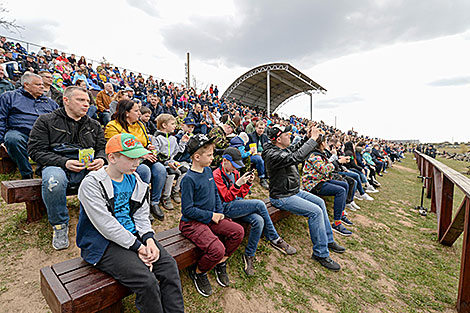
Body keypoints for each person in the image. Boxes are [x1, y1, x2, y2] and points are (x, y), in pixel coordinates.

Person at [76, 133, 184, 313]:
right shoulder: (92, 184)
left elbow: (142, 216)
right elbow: (106, 226)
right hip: (102, 243)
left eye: (139, 157)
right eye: (131, 157)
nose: (137, 162)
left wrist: (148, 240)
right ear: (112, 157)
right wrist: (139, 249)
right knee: (146, 281)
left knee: (169, 266)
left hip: (133, 236)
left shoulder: (136, 181)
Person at [28, 86, 106, 250]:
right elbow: (35, 151)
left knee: (106, 177)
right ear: (66, 100)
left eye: (87, 101)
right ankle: (59, 225)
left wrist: (101, 159)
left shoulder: (94, 124)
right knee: (53, 182)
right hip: (56, 164)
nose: (86, 104)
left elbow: (102, 147)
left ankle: (98, 219)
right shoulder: (45, 121)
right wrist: (64, 162)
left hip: (87, 165)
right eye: (80, 100)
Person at [263, 124, 345, 271]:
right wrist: (313, 139)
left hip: (292, 191)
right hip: (282, 196)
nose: (290, 136)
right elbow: (296, 156)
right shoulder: (272, 154)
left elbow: (295, 149)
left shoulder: (280, 149)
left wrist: (307, 137)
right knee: (315, 211)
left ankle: (328, 240)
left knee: (320, 202)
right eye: (287, 134)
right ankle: (320, 253)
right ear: (279, 139)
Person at [213, 147, 296, 276]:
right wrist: (238, 184)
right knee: (260, 204)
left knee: (259, 220)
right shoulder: (216, 175)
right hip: (225, 208)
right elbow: (227, 197)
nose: (235, 169)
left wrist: (247, 184)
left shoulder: (234, 173)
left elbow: (241, 195)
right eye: (233, 165)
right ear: (225, 161)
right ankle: (274, 238)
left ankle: (249, 254)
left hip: (236, 204)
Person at [180, 134, 244, 297]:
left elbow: (215, 192)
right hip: (192, 223)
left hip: (212, 217)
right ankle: (199, 272)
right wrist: (210, 216)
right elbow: (187, 210)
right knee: (217, 249)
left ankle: (221, 261)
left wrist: (219, 212)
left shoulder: (208, 170)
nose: (212, 157)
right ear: (196, 156)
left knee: (238, 232)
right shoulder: (188, 179)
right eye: (209, 155)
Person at [105, 99, 167, 221]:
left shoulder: (140, 125)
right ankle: (139, 204)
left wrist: (149, 146)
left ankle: (153, 203)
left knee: (160, 169)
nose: (139, 113)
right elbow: (115, 148)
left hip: (144, 156)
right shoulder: (113, 126)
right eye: (136, 110)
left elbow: (145, 141)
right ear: (127, 112)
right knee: (144, 171)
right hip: (126, 160)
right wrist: (140, 155)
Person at [0, 72, 58, 179]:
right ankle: (27, 174)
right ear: (26, 85)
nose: (42, 87)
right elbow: (1, 118)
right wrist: (1, 140)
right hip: (21, 132)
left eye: (42, 84)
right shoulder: (9, 97)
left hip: (45, 135)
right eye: (38, 84)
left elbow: (59, 120)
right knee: (12, 139)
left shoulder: (50, 102)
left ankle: (44, 170)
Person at [302, 135, 354, 236]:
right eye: (325, 141)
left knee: (345, 185)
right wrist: (338, 162)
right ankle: (337, 223)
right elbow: (324, 169)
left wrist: (339, 160)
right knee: (341, 191)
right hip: (313, 184)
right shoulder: (314, 156)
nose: (327, 143)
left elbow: (327, 168)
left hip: (321, 180)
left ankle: (341, 214)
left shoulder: (320, 154)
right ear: (322, 143)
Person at [151, 114, 189, 210]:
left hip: (171, 161)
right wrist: (167, 163)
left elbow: (177, 152)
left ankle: (175, 190)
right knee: (171, 173)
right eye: (172, 124)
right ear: (164, 125)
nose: (174, 126)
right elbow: (156, 154)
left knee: (184, 170)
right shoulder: (156, 138)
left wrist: (182, 142)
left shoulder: (173, 138)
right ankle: (165, 197)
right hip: (161, 163)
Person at [247, 119, 269, 189]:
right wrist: (255, 152)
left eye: (262, 128)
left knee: (270, 157)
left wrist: (262, 153)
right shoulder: (250, 136)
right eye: (259, 128)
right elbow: (247, 147)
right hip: (252, 155)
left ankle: (268, 176)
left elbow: (267, 147)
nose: (261, 130)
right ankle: (262, 178)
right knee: (259, 159)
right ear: (256, 128)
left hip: (262, 154)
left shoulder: (265, 137)